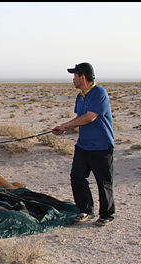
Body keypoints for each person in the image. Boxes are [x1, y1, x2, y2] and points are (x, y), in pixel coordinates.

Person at [52, 62, 115, 226]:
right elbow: (79, 119)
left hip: (101, 147)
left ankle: (106, 214)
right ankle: (85, 210)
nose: (73, 79)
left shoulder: (99, 93)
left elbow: (90, 117)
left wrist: (66, 124)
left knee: (104, 181)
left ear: (83, 77)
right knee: (77, 176)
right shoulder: (80, 96)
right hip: (83, 145)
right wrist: (64, 129)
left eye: (75, 76)